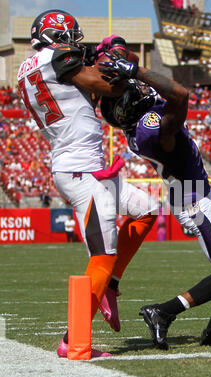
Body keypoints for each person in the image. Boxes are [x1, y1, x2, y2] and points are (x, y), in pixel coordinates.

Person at [17, 10, 158, 358]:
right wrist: (125, 76)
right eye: (69, 37)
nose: (73, 44)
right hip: (81, 171)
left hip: (87, 168)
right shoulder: (56, 58)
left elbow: (81, 84)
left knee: (148, 210)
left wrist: (110, 58)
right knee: (101, 256)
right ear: (56, 35)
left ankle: (110, 283)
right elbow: (103, 85)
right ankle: (73, 341)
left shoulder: (32, 66)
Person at [99, 48, 211, 349]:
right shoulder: (149, 130)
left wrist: (115, 53)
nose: (140, 88)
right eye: (134, 89)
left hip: (199, 191)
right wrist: (136, 71)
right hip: (192, 198)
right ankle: (164, 311)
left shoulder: (141, 120)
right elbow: (181, 95)